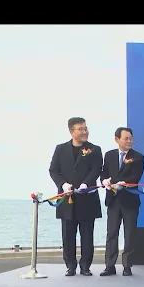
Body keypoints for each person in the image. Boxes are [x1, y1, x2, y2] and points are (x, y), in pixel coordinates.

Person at [49, 117, 103, 276]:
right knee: (67, 234)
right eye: (81, 129)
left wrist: (86, 183)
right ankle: (70, 265)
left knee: (87, 234)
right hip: (67, 199)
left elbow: (96, 169)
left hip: (87, 198)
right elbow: (53, 170)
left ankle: (85, 266)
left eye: (86, 128)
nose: (85, 132)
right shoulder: (60, 149)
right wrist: (63, 184)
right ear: (71, 131)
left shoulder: (94, 149)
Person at [99, 127, 144, 277]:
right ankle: (109, 265)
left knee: (129, 234)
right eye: (126, 138)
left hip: (129, 200)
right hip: (113, 200)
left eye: (131, 138)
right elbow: (104, 173)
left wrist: (123, 183)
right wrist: (104, 181)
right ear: (117, 139)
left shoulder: (138, 157)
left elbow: (135, 177)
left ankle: (127, 265)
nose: (129, 141)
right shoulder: (109, 155)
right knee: (112, 233)